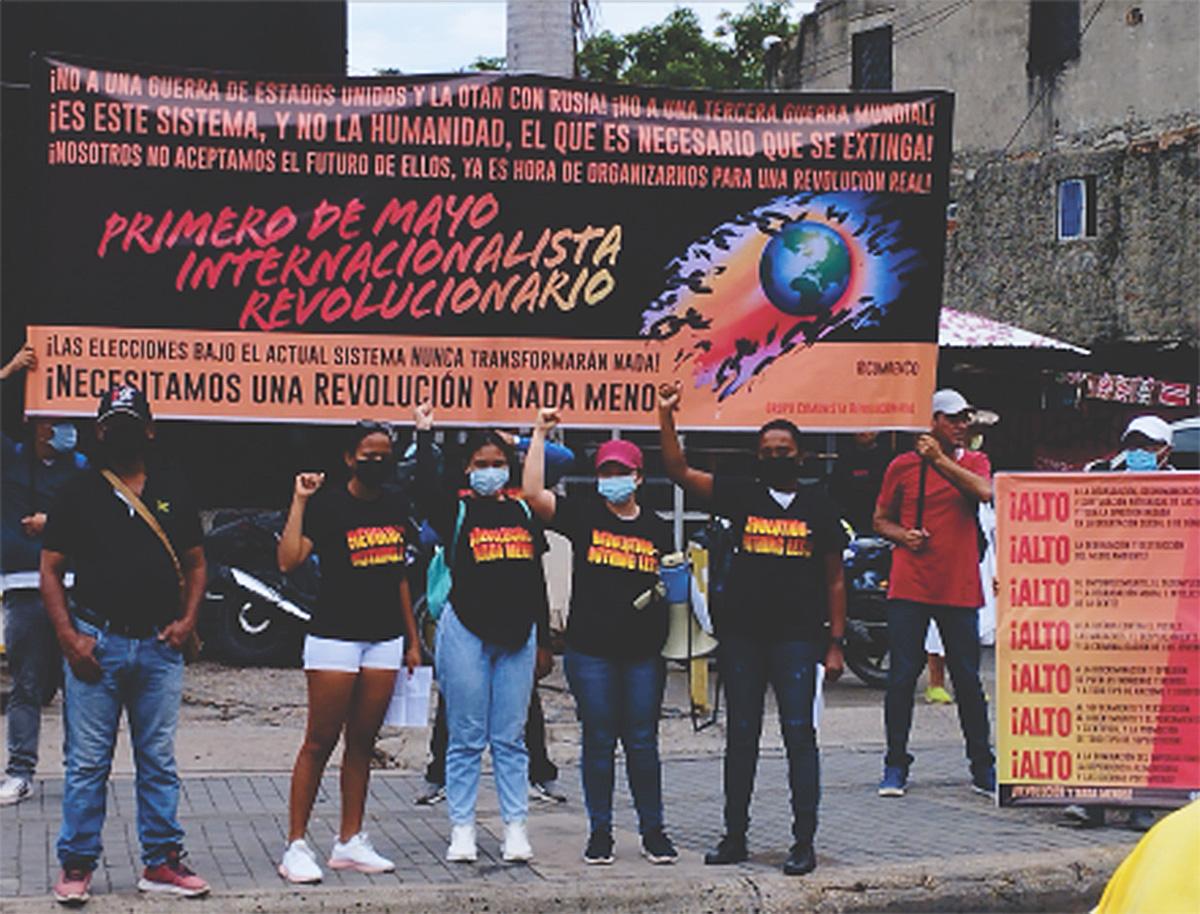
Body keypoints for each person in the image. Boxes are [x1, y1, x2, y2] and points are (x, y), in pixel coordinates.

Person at [658, 381, 847, 876]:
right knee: (741, 737)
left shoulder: (819, 505)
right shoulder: (740, 493)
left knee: (799, 737)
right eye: (767, 451)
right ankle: (734, 835)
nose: (775, 457)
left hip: (796, 640)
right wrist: (666, 417)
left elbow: (834, 578)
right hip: (743, 638)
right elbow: (677, 471)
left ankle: (803, 841)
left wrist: (835, 643)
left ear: (800, 456)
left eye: (783, 451)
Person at [39, 384, 209, 904]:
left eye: (132, 422)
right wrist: (69, 639)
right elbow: (50, 569)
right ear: (100, 430)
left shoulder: (173, 488)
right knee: (88, 762)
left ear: (150, 430)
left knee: (158, 759)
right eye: (113, 422)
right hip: (96, 644)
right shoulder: (77, 491)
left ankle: (160, 862)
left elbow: (198, 563)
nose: (122, 431)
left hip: (159, 647)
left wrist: (185, 623)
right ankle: (77, 864)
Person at [523, 408, 677, 865]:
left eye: (621, 472)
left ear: (638, 477)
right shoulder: (584, 514)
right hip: (590, 652)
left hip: (643, 654)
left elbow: (673, 584)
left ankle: (653, 831)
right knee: (599, 739)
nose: (613, 479)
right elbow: (532, 493)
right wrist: (538, 434)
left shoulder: (657, 526)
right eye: (606, 472)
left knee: (643, 742)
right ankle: (601, 831)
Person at [275, 420, 422, 883]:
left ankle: (350, 840)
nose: (377, 462)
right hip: (334, 637)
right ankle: (296, 844)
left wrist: (413, 639)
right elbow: (288, 559)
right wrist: (300, 500)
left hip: (384, 637)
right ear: (348, 457)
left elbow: (399, 573)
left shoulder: (397, 501)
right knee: (319, 741)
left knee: (362, 743)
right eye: (368, 454)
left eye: (384, 455)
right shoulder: (330, 504)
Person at [414, 402, 553, 864]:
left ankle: (516, 827)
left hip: (518, 634)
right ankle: (463, 828)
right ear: (467, 469)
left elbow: (536, 576)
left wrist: (545, 639)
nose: (489, 471)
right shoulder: (456, 509)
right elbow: (423, 489)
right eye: (480, 465)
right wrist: (424, 436)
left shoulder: (523, 512)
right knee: (466, 736)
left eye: (497, 464)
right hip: (465, 631)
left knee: (511, 738)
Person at [873, 389, 995, 799]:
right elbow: (880, 520)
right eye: (954, 418)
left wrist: (938, 460)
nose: (962, 425)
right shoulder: (900, 467)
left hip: (959, 583)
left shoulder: (973, 461)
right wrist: (903, 536)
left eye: (966, 418)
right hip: (911, 581)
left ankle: (982, 764)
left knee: (967, 679)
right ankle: (895, 763)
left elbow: (984, 492)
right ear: (933, 422)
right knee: (902, 677)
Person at [1064, 414, 1173, 832]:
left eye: (1149, 445)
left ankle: (1142, 800)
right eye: (1135, 443)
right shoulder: (1096, 474)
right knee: (1097, 709)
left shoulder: (1182, 487)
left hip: (1154, 614)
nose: (1141, 452)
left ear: (1165, 451)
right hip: (1101, 608)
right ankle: (1092, 799)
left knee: (1143, 711)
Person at [1, 340, 89, 806]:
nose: (62, 429)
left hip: (77, 588)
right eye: (53, 422)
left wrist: (53, 525)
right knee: (27, 685)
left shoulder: (82, 469)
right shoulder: (12, 462)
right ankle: (19, 771)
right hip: (24, 587)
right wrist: (11, 370)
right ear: (34, 426)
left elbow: (98, 517)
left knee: (80, 684)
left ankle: (81, 772)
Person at [829, 431, 893, 537]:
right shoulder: (844, 459)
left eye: (869, 428)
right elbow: (835, 492)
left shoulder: (888, 458)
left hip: (881, 525)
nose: (864, 432)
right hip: (850, 525)